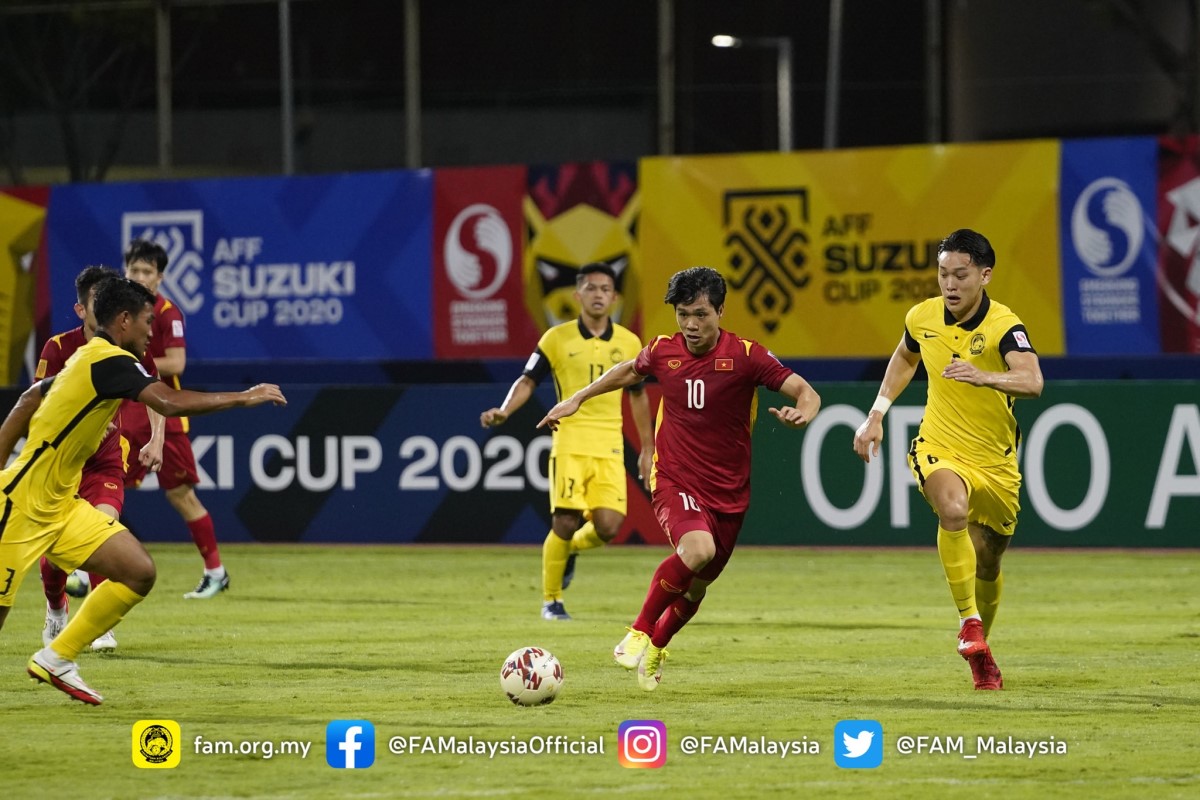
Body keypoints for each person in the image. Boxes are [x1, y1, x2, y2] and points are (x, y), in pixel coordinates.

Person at [0, 277, 286, 705]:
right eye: (148, 322)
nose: (153, 331)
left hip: (61, 508)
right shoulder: (109, 360)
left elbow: (27, 399)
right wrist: (244, 397)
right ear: (124, 319)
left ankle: (56, 657)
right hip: (19, 506)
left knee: (138, 571)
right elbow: (169, 403)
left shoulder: (89, 358)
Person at [538, 266, 820, 690]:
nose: (690, 324)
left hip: (728, 492)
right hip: (674, 479)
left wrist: (804, 414)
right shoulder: (663, 350)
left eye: (701, 314)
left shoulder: (746, 356)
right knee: (698, 549)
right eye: (683, 313)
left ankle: (656, 648)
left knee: (695, 589)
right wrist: (577, 398)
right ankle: (638, 630)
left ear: (721, 311)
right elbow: (628, 371)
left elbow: (806, 391)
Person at [851, 229, 1043, 691]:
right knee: (952, 509)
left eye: (960, 274)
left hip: (995, 461)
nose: (950, 284)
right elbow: (904, 357)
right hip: (940, 443)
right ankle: (969, 623)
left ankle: (982, 648)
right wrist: (875, 414)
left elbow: (1032, 381)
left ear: (984, 275)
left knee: (989, 563)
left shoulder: (1003, 325)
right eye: (943, 274)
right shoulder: (922, 317)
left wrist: (984, 376)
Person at [481, 263, 654, 621]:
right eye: (590, 288)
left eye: (605, 289)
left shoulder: (630, 343)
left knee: (608, 527)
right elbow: (528, 380)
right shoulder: (556, 339)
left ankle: (569, 551)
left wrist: (648, 447)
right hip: (569, 441)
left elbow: (637, 395)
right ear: (577, 296)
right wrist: (505, 410)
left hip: (609, 445)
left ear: (615, 297)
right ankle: (551, 600)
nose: (598, 295)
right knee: (564, 520)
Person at [32, 266, 164, 655]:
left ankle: (98, 623)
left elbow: (154, 391)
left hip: (104, 463)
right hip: (61, 466)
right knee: (55, 557)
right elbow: (35, 402)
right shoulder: (58, 348)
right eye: (96, 300)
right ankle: (56, 607)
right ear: (82, 308)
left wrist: (157, 438)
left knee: (104, 530)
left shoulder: (128, 345)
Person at [122, 238, 227, 599]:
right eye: (133, 269)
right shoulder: (119, 311)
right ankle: (84, 573)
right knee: (100, 492)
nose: (138, 276)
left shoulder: (167, 313)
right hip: (125, 413)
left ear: (160, 277)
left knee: (181, 495)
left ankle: (216, 571)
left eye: (146, 271)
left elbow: (177, 364)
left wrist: (132, 365)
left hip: (165, 416)